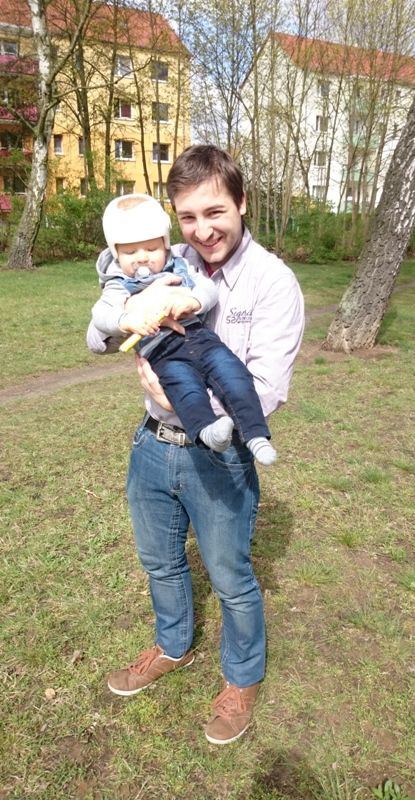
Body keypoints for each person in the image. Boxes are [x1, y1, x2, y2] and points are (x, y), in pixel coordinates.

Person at [86, 145, 304, 745]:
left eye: (214, 212)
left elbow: (264, 390)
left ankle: (242, 678)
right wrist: (123, 316)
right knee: (160, 561)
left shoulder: (273, 282)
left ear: (241, 203)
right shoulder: (166, 258)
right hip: (152, 445)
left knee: (230, 577)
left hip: (220, 456)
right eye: (187, 217)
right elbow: (101, 335)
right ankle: (173, 644)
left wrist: (184, 399)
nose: (202, 231)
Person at [91, 194, 277, 464]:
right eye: (130, 252)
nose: (142, 259)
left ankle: (256, 435)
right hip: (163, 353)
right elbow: (100, 316)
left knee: (234, 374)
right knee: (185, 388)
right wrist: (127, 319)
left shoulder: (179, 265)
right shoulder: (118, 284)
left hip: (201, 340)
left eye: (151, 249)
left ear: (165, 245)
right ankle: (206, 431)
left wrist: (193, 301)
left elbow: (207, 288)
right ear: (116, 253)